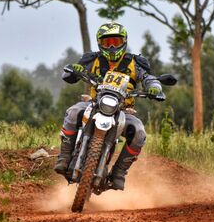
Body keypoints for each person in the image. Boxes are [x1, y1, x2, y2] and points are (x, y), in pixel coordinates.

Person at [54, 21, 162, 190]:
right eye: (107, 42)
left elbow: (148, 78)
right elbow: (72, 72)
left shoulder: (135, 63)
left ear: (124, 42)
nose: (111, 47)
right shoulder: (92, 59)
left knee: (139, 133)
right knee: (73, 112)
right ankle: (65, 157)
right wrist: (74, 70)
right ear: (100, 43)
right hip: (94, 104)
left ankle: (118, 173)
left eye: (116, 42)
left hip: (123, 110)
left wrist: (154, 87)